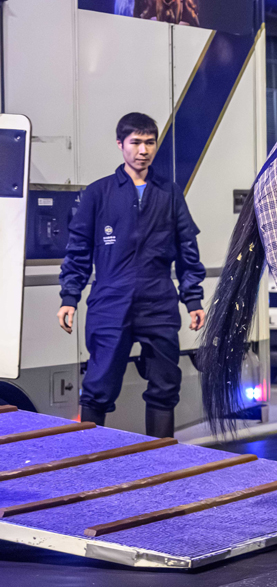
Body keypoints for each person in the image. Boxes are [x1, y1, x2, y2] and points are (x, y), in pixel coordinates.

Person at [57, 112, 206, 438]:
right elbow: (78, 250)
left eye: (149, 142)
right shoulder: (98, 194)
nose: (143, 150)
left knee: (165, 384)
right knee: (97, 387)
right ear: (120, 144)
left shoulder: (170, 194)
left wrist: (193, 299)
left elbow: (187, 252)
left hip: (158, 303)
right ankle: (87, 460)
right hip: (111, 302)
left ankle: (162, 461)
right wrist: (70, 297)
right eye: (135, 142)